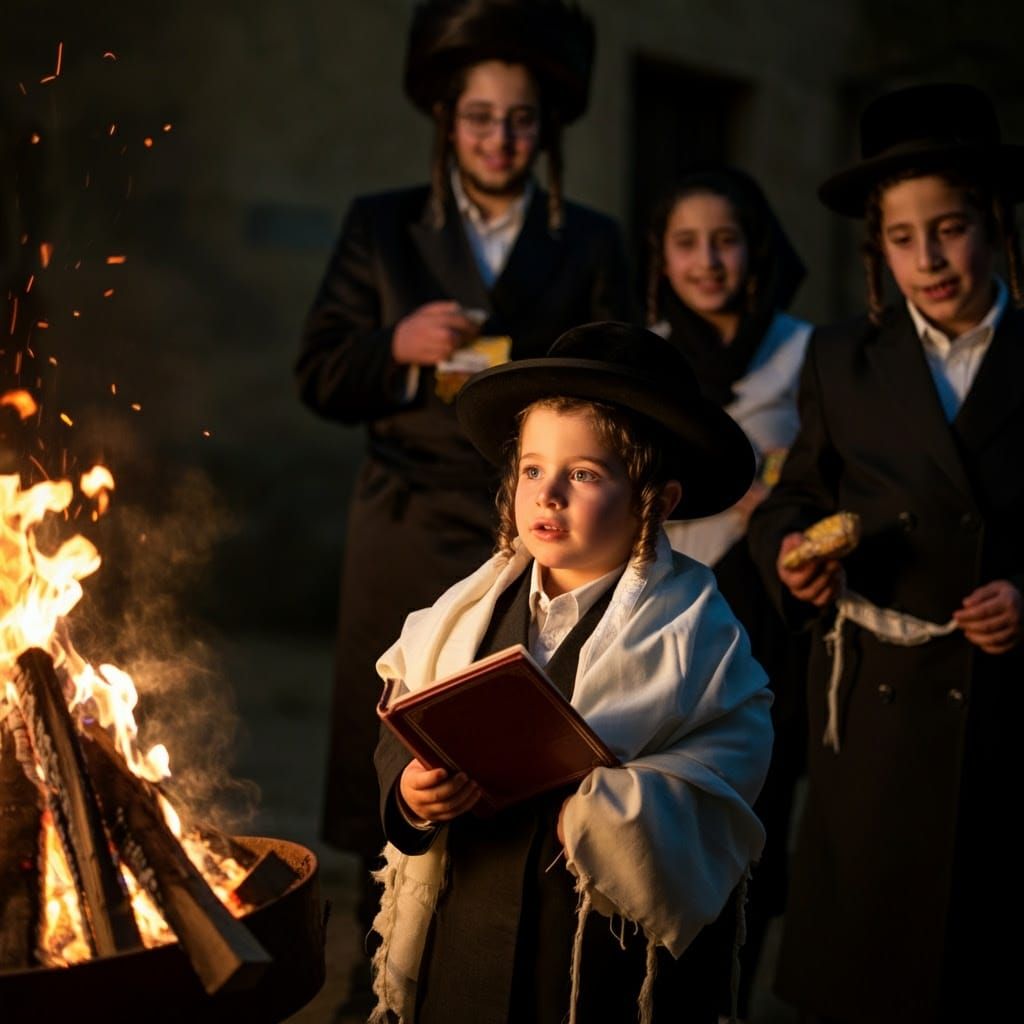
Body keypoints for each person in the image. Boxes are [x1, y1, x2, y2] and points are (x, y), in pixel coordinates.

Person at [294, 0, 633, 958]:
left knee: (516, 750)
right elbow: (318, 373)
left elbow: (617, 378)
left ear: (547, 129)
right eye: (480, 116)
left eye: (520, 120)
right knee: (395, 745)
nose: (499, 138)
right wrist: (395, 349)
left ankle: (487, 961)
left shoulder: (593, 241)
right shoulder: (384, 226)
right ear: (448, 121)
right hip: (403, 519)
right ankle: (373, 972)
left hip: (532, 530)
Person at [369, 321, 773, 1024]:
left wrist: (608, 813)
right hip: (464, 935)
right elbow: (401, 724)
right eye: (532, 470)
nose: (547, 494)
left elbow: (723, 776)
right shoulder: (457, 618)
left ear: (657, 502)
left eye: (583, 474)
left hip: (592, 956)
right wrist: (409, 793)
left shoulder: (699, 635)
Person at [747, 82, 1024, 1023]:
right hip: (875, 711)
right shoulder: (841, 359)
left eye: (950, 229)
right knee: (871, 968)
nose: (929, 258)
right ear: (878, 251)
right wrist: (790, 550)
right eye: (903, 238)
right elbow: (796, 496)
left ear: (994, 224)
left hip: (1002, 709)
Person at [646, 166, 811, 1020]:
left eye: (725, 240)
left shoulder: (806, 353)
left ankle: (729, 1002)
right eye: (686, 243)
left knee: (754, 818)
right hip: (655, 615)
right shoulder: (642, 356)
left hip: (764, 618)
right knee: (656, 819)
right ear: (661, 257)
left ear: (757, 249)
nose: (707, 261)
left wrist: (775, 497)